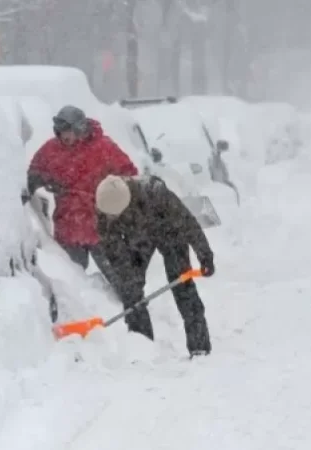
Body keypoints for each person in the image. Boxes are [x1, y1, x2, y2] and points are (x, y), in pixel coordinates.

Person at [94, 174, 215, 358]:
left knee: (183, 286)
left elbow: (188, 223)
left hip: (170, 233)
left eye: (113, 216)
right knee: (130, 292)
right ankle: (142, 346)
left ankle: (199, 346)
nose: (108, 218)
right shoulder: (104, 207)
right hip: (139, 239)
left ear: (124, 206)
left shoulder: (156, 194)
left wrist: (205, 255)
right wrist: (130, 279)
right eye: (107, 215)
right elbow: (113, 250)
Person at [27, 105, 139, 277]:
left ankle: (134, 303)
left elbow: (129, 175)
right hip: (68, 229)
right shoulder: (50, 151)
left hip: (102, 227)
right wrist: (39, 183)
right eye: (60, 131)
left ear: (79, 128)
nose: (64, 136)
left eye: (68, 131)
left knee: (121, 281)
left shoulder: (103, 148)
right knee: (73, 285)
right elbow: (32, 176)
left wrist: (113, 195)